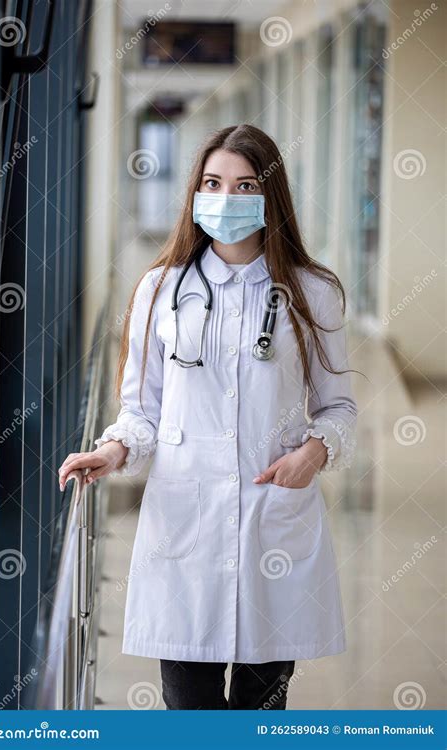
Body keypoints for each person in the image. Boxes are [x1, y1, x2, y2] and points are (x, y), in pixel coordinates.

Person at [58, 124, 358, 710]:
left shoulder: (311, 292)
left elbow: (338, 407)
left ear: (271, 198)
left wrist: (314, 452)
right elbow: (141, 409)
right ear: (195, 192)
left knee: (260, 708)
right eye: (213, 183)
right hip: (184, 528)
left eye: (246, 186)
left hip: (271, 523)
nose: (227, 198)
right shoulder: (160, 288)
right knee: (189, 708)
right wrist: (114, 448)